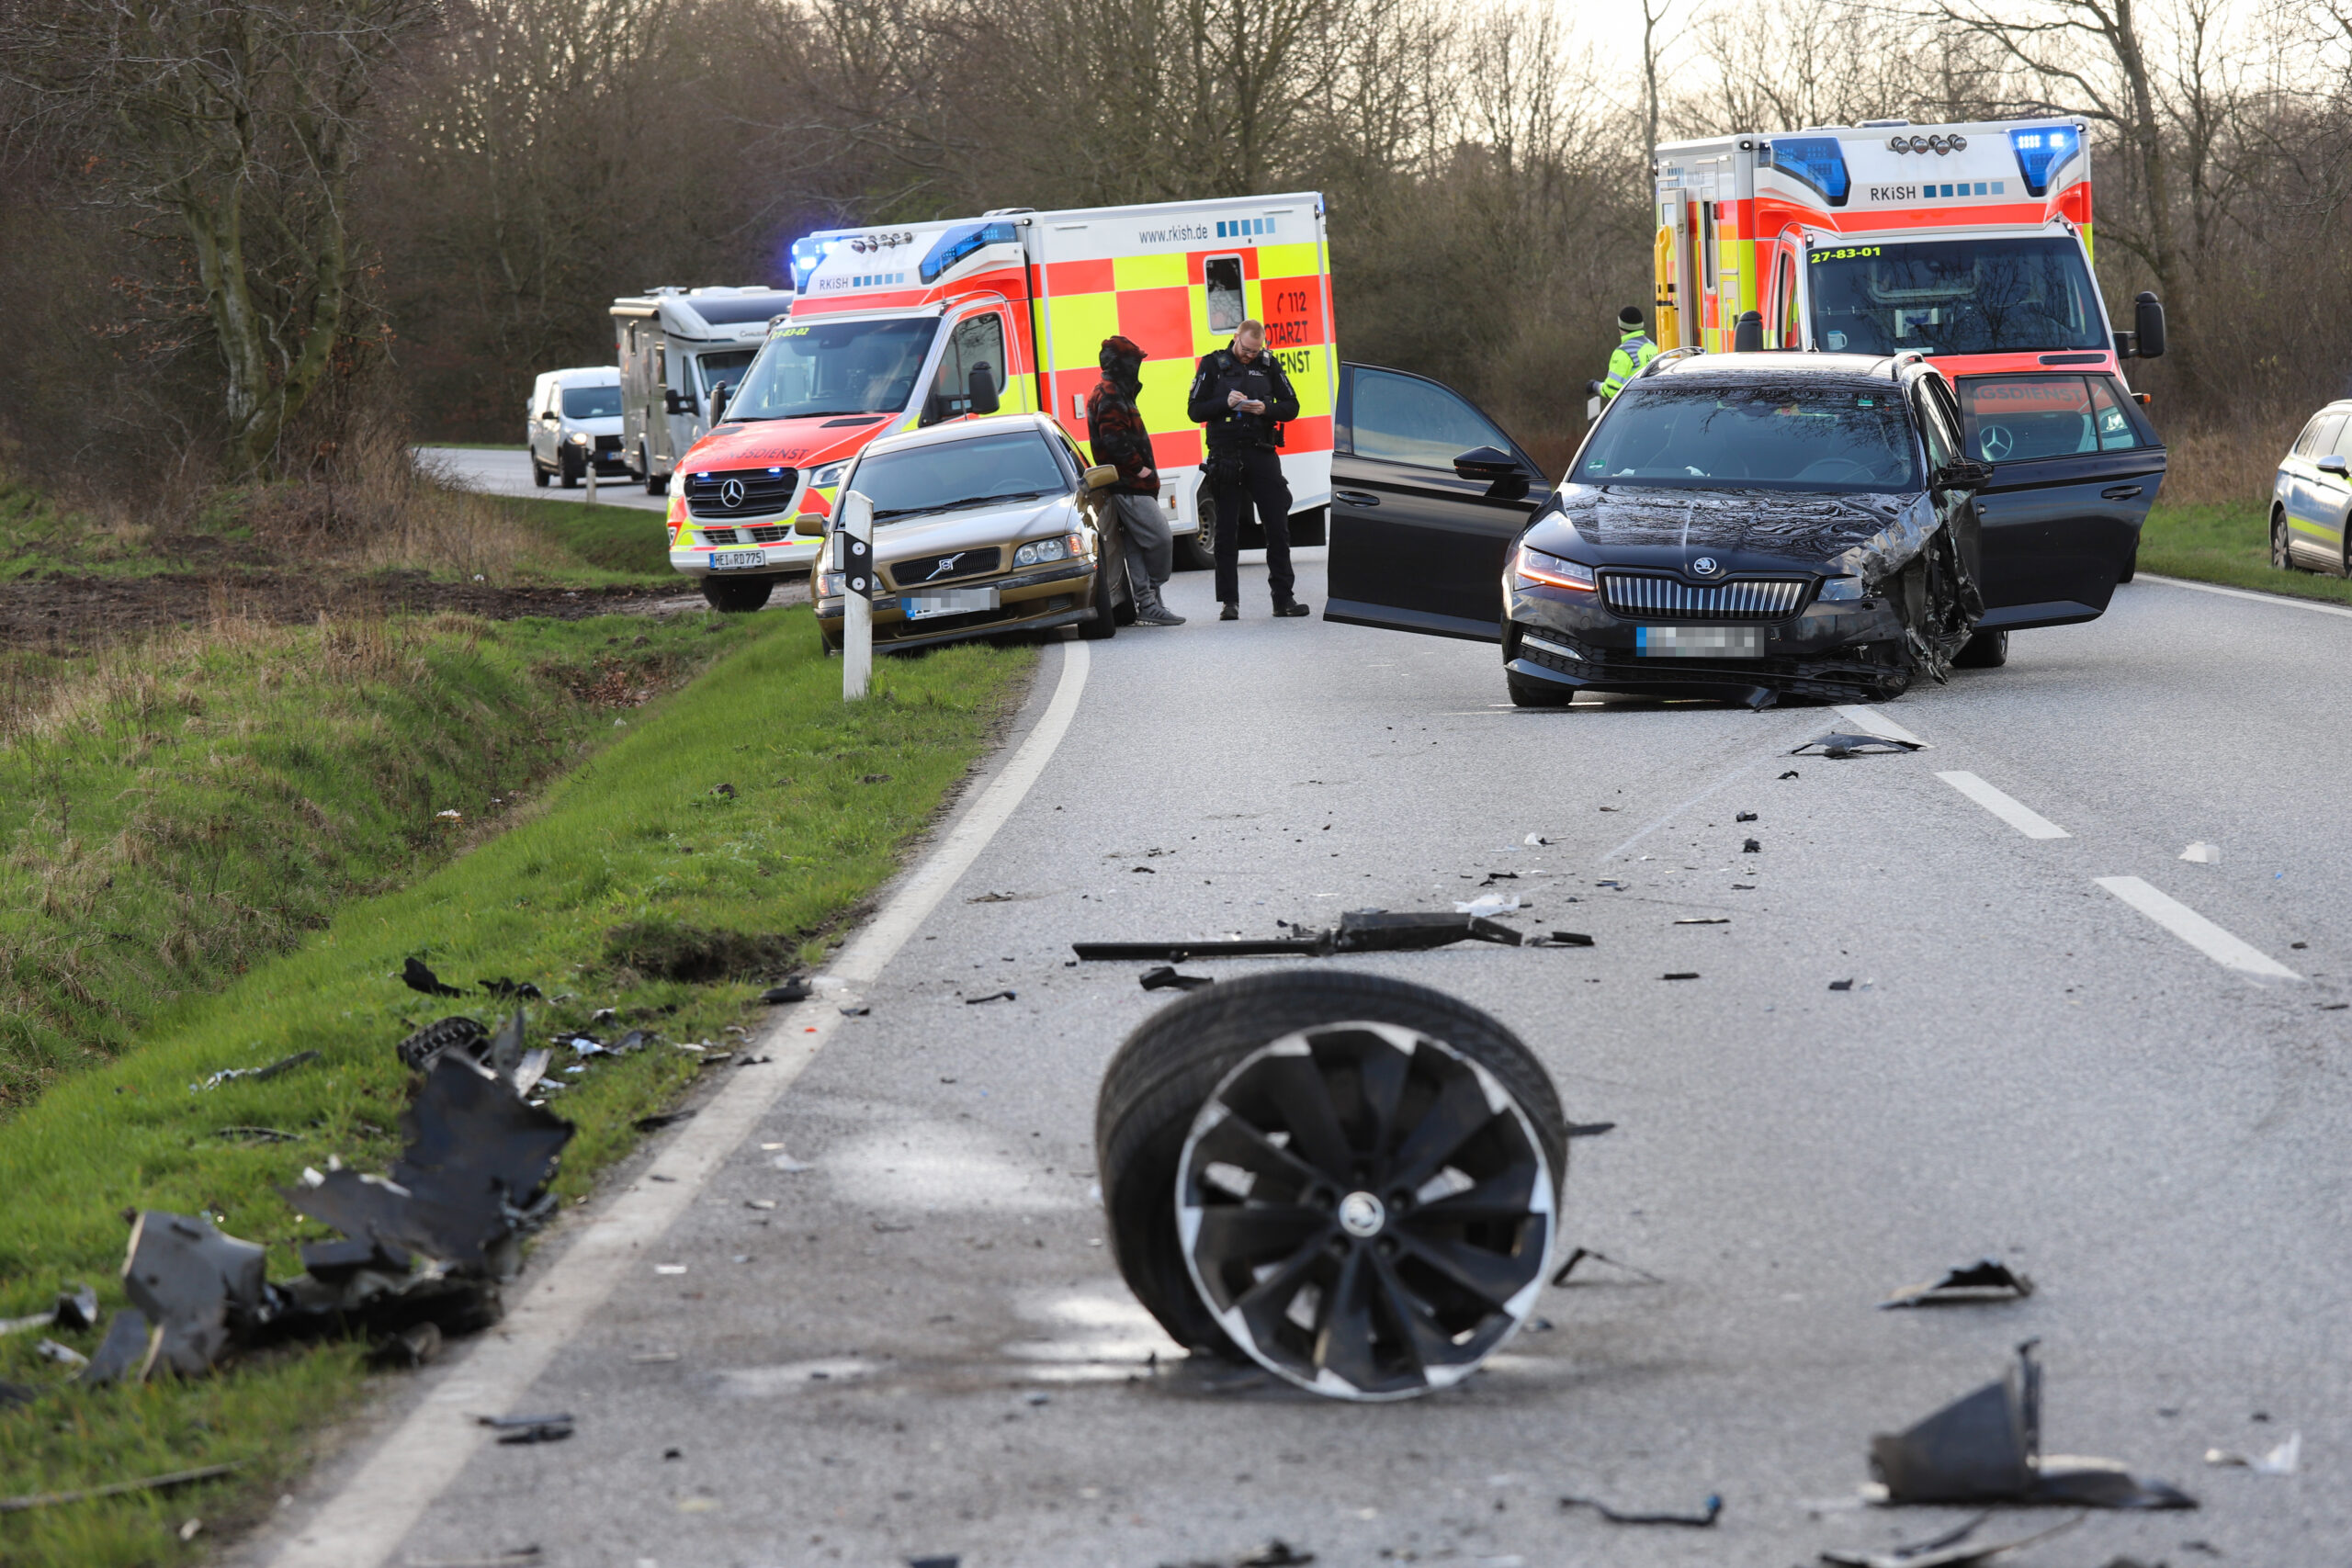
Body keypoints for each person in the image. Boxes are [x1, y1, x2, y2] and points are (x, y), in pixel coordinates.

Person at [1187, 319, 1304, 620]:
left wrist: (1266, 409)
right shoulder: (1213, 365)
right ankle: (1229, 602)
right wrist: (1225, 403)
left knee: (1277, 526)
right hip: (1225, 456)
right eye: (1246, 349)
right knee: (1226, 531)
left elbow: (1292, 406)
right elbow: (1195, 410)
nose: (1250, 355)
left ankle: (1284, 599)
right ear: (1236, 338)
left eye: (1256, 351)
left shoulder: (1268, 365)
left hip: (1261, 453)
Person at [1086, 335, 1184, 626]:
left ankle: (1148, 603)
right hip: (1130, 485)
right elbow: (1113, 440)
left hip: (1128, 485)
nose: (1138, 366)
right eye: (1134, 361)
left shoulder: (1112, 391)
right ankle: (1152, 594)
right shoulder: (1112, 394)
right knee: (1160, 539)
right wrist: (1140, 469)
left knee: (1137, 545)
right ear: (1122, 365)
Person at [1600, 306, 1658, 400]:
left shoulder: (1623, 352)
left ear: (1620, 326)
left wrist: (1595, 386)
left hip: (1633, 408)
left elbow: (1611, 390)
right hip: (1654, 403)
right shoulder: (1653, 347)